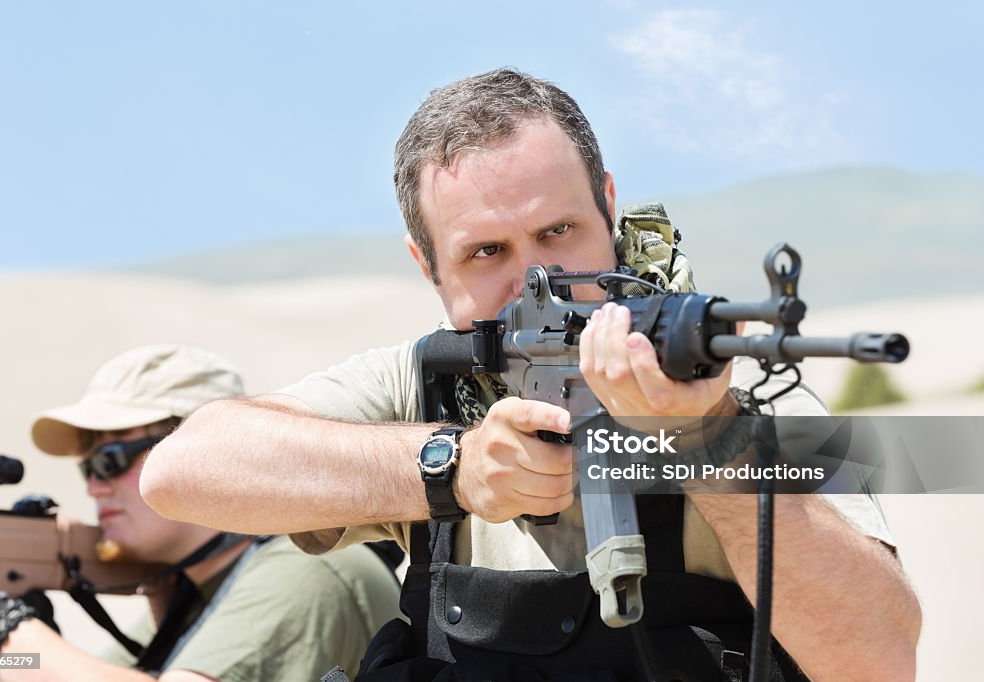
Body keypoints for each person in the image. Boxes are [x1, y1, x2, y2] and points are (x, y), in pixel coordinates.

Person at [140, 70, 921, 681]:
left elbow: (878, 662)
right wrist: (453, 468)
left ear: (609, 207)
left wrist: (708, 440)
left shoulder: (726, 385)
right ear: (429, 267)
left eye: (559, 231)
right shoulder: (424, 387)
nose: (538, 280)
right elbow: (185, 470)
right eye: (487, 253)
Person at [0, 344, 401, 680]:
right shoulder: (191, 597)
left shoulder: (309, 567)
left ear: (202, 452)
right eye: (87, 467)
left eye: (110, 459)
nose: (94, 485)